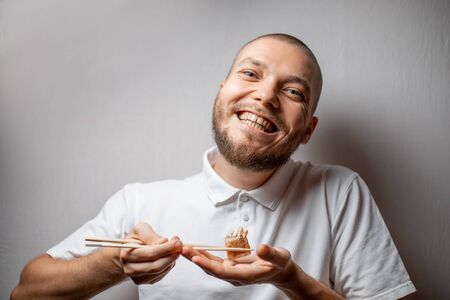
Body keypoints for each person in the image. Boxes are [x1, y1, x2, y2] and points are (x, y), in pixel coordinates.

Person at [11, 33, 416, 299]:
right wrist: (116, 262)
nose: (266, 96)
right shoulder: (142, 202)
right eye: (250, 74)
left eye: (292, 91)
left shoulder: (339, 191)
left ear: (308, 129)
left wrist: (290, 279)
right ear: (222, 94)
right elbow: (24, 292)